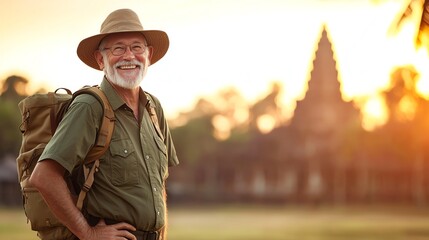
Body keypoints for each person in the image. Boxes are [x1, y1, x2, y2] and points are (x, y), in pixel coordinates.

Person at [30, 8, 179, 240]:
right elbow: (44, 176)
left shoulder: (153, 108)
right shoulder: (90, 107)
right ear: (101, 59)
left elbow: (159, 185)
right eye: (118, 48)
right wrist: (87, 233)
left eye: (137, 47)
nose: (129, 56)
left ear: (148, 54)